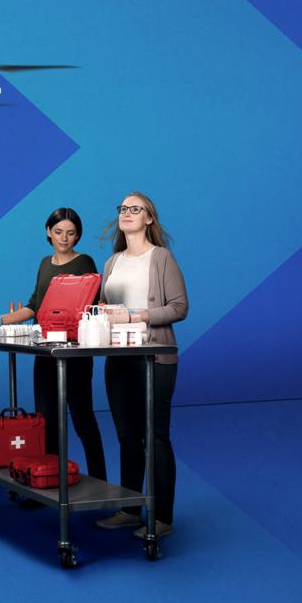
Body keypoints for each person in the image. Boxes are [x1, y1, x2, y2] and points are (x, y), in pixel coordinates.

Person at [0, 207, 108, 486]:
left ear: (77, 235)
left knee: (82, 420)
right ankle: (51, 481)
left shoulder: (84, 262)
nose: (64, 238)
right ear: (48, 233)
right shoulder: (44, 263)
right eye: (58, 232)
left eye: (71, 233)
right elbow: (33, 305)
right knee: (48, 422)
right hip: (44, 352)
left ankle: (101, 482)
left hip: (74, 353)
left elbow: (90, 304)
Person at [96, 191, 188, 537]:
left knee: (156, 437)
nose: (127, 213)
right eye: (123, 208)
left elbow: (179, 307)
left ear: (149, 218)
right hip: (118, 359)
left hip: (154, 358)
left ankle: (162, 516)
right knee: (126, 437)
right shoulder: (112, 262)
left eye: (136, 209)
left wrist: (137, 315)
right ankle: (131, 508)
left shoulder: (161, 257)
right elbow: (105, 309)